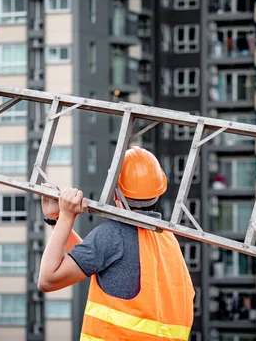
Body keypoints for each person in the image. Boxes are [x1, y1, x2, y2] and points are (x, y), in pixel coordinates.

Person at [37, 146, 195, 340]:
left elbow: (47, 280)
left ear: (115, 193)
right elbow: (92, 260)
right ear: (159, 191)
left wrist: (66, 217)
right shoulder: (167, 239)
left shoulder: (114, 234)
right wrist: (57, 220)